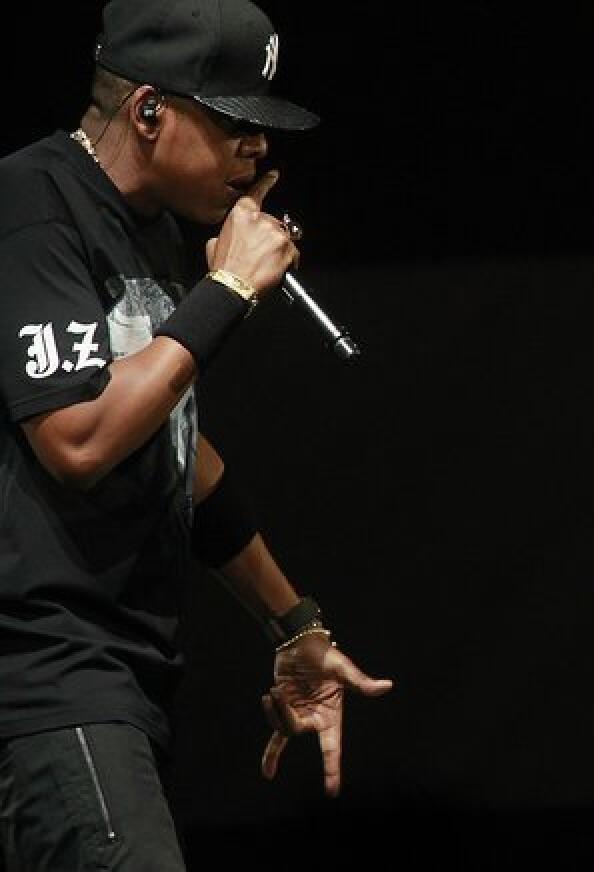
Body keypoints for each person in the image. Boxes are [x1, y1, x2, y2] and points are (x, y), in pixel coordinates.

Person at [0, 0, 393, 868]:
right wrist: (228, 295)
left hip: (123, 686)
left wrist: (293, 625)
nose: (258, 150)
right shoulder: (33, 201)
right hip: (50, 679)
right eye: (235, 125)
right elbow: (77, 441)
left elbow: (178, 452)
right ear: (148, 111)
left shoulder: (152, 236)